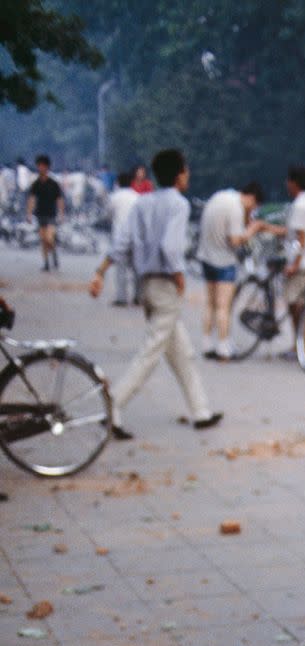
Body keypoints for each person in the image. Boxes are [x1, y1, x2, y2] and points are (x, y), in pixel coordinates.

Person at [88, 147, 221, 440]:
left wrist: (101, 271)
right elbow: (170, 248)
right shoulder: (178, 205)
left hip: (145, 283)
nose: (189, 175)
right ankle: (114, 404)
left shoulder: (142, 203)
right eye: (186, 170)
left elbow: (121, 242)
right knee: (151, 352)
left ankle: (201, 411)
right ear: (179, 174)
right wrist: (179, 277)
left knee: (180, 352)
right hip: (164, 285)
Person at [196, 181, 265, 359]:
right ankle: (224, 347)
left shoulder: (219, 197)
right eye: (254, 207)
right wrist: (252, 229)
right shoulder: (236, 207)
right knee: (223, 307)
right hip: (224, 261)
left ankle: (206, 343)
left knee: (210, 304)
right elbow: (235, 240)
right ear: (252, 199)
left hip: (206, 256)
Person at [281, 166, 305, 350]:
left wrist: (294, 264)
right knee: (301, 305)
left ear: (294, 183)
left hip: (302, 264)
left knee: (296, 304)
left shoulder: (300, 206)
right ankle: (301, 346)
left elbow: (301, 239)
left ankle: (302, 346)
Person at [26, 155, 65, 272]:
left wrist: (61, 214)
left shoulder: (54, 184)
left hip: (51, 214)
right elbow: (32, 199)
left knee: (49, 238)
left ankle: (54, 253)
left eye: (43, 166)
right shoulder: (36, 184)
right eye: (39, 166)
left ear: (47, 167)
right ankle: (46, 263)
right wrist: (28, 213)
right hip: (40, 214)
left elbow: (60, 199)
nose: (41, 168)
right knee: (43, 239)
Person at [108, 172, 139, 305]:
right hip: (136, 236)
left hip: (119, 235)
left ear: (118, 183)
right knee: (137, 268)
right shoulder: (137, 197)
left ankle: (121, 298)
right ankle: (138, 296)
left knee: (120, 268)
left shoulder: (114, 197)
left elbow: (108, 214)